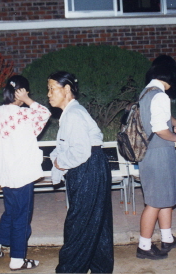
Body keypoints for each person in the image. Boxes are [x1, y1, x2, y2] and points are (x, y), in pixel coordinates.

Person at [47, 71, 114, 273]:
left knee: (79, 225)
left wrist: (59, 163)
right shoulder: (71, 113)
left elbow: (80, 151)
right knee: (96, 222)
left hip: (87, 168)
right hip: (93, 166)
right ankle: (100, 267)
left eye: (52, 89)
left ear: (66, 90)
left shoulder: (74, 114)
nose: (48, 94)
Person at [0, 75, 51, 270]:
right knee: (22, 215)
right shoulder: (25, 114)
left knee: (11, 211)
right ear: (22, 92)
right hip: (23, 172)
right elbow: (45, 113)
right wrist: (28, 101)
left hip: (6, 171)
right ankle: (17, 259)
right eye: (26, 92)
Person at [137, 63, 176, 260]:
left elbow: (160, 118)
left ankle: (167, 238)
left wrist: (175, 123)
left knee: (165, 196)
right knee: (154, 202)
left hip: (150, 152)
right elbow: (159, 129)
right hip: (158, 152)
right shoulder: (160, 95)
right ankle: (144, 246)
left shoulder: (146, 92)